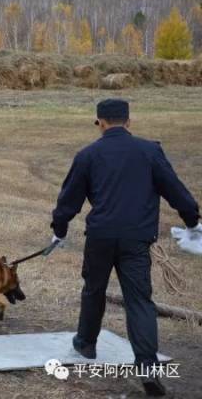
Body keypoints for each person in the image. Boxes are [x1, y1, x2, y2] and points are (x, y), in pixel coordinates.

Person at [50, 99, 200, 397]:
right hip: (137, 239)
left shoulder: (87, 155)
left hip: (101, 236)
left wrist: (59, 229)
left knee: (94, 289)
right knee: (140, 301)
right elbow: (175, 189)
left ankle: (86, 343)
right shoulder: (150, 151)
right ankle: (147, 365)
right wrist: (192, 220)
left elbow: (69, 198)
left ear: (100, 123)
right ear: (129, 122)